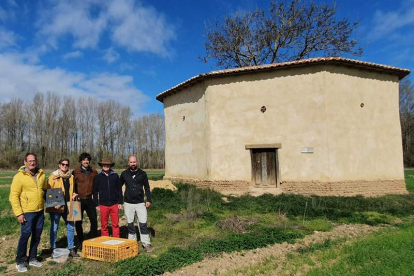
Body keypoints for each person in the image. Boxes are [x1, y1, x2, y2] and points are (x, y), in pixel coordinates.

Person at [9, 153, 47, 272]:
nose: (32, 163)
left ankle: (32, 258)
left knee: (37, 235)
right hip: (27, 212)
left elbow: (45, 190)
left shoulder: (41, 174)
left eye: (34, 160)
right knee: (25, 235)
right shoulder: (19, 177)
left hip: (40, 211)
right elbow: (13, 196)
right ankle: (20, 261)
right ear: (25, 162)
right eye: (30, 161)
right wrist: (19, 214)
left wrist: (53, 202)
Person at [46, 158, 79, 257]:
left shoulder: (71, 177)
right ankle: (53, 248)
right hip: (56, 207)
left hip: (69, 205)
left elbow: (73, 189)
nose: (65, 166)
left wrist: (74, 194)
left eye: (67, 165)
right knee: (54, 228)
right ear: (59, 165)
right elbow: (49, 191)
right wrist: (56, 203)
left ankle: (71, 248)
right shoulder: (53, 176)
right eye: (63, 164)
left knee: (71, 227)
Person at [120, 155, 154, 252]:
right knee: (130, 223)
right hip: (128, 203)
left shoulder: (143, 174)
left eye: (134, 162)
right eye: (131, 162)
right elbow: (118, 187)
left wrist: (148, 200)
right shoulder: (124, 174)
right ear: (128, 163)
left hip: (140, 203)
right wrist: (119, 201)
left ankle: (146, 243)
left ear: (137, 162)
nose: (133, 164)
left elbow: (147, 187)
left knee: (143, 223)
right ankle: (131, 243)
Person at [73, 152, 98, 246]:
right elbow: (72, 185)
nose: (86, 161)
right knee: (78, 221)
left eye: (87, 160)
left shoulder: (94, 172)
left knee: (94, 220)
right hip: (79, 200)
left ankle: (93, 239)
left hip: (89, 199)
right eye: (84, 160)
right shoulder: (75, 172)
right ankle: (81, 240)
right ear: (81, 161)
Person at [93, 157, 123, 237]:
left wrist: (120, 202)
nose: (106, 166)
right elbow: (95, 191)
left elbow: (119, 190)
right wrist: (96, 204)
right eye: (104, 165)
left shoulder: (115, 176)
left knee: (115, 224)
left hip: (114, 204)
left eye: (108, 165)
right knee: (104, 225)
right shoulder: (98, 177)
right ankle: (105, 241)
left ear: (110, 166)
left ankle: (116, 241)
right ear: (102, 166)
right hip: (103, 205)